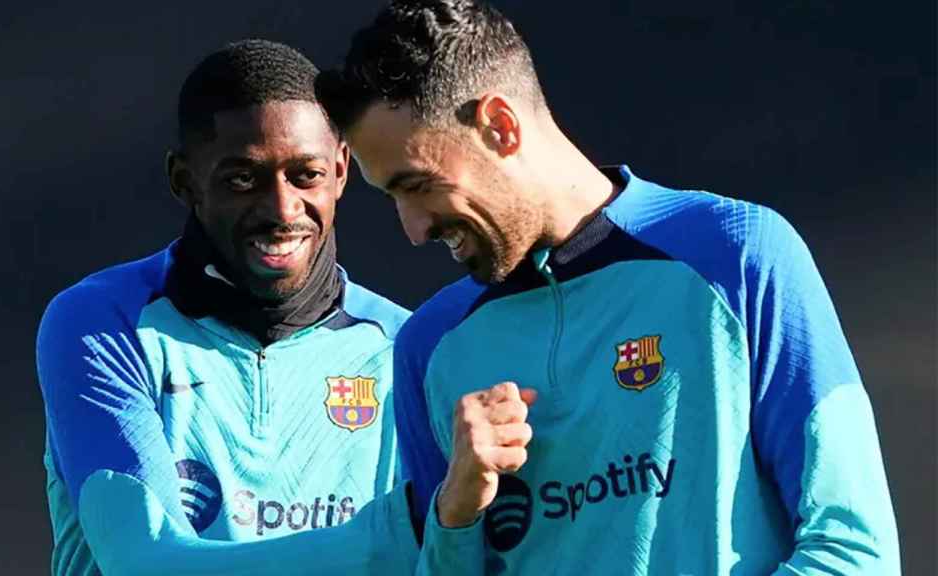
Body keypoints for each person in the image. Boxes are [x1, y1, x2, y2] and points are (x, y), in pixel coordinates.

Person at [317, 1, 901, 573]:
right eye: (391, 197)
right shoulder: (429, 345)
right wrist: (456, 514)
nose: (414, 230)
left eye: (418, 184)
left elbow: (853, 548)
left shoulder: (738, 255)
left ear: (500, 127)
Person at [36, 39, 419, 576]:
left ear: (341, 170)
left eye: (305, 175)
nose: (282, 210)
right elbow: (146, 562)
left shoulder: (405, 345)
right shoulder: (103, 323)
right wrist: (400, 535)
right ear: (183, 181)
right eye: (243, 179)